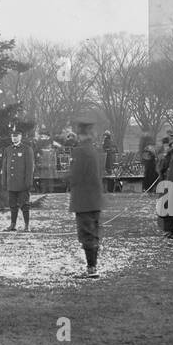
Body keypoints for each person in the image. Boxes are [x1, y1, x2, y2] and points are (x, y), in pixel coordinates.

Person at [65, 119, 104, 278]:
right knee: (93, 233)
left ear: (80, 135)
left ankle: (91, 268)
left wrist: (67, 176)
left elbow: (75, 176)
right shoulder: (93, 150)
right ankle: (92, 266)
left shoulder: (80, 152)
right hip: (94, 199)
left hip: (83, 200)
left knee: (86, 234)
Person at [1, 126, 35, 232]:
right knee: (12, 205)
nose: (14, 138)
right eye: (13, 137)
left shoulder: (26, 149)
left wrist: (28, 182)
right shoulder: (8, 150)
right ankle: (13, 225)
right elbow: (5, 167)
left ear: (20, 137)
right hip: (11, 183)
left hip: (22, 183)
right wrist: (4, 181)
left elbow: (30, 168)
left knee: (24, 205)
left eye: (16, 136)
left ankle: (26, 225)